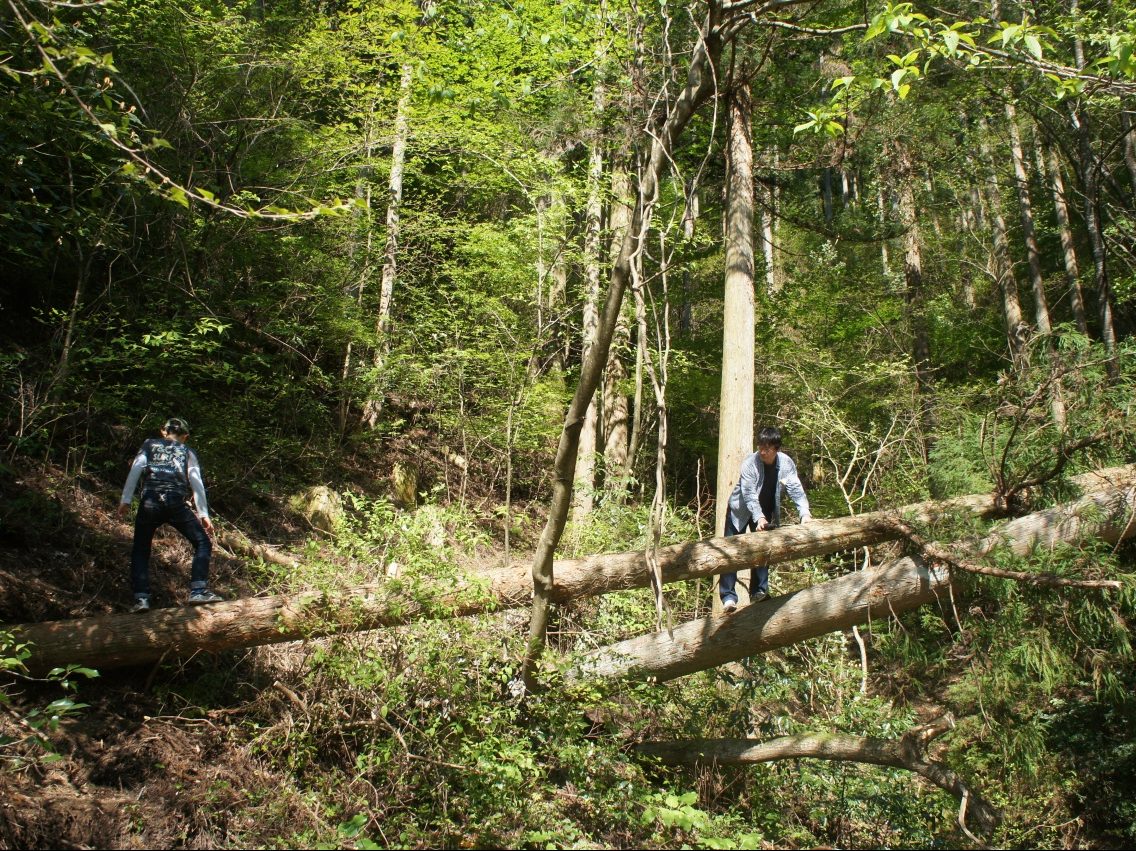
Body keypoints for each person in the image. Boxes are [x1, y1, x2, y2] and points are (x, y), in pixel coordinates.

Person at [116, 417, 222, 612]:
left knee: (140, 549)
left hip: (149, 502)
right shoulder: (187, 451)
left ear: (163, 431)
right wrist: (203, 513)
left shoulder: (149, 445)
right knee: (203, 542)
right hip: (174, 502)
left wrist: (126, 500)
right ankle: (198, 591)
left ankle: (141, 599)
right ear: (185, 436)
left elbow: (136, 469)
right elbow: (196, 482)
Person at [720, 426, 812, 612]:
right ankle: (728, 597)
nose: (762, 451)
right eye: (760, 446)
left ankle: (759, 592)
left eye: (767, 448)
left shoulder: (786, 463)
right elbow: (749, 493)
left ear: (777, 449)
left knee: (763, 550)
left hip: (766, 510)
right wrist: (759, 517)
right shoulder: (750, 463)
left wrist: (804, 513)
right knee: (730, 551)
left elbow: (795, 488)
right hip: (740, 510)